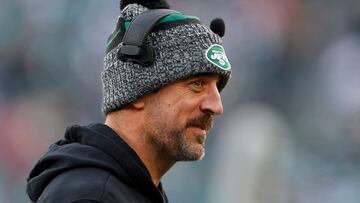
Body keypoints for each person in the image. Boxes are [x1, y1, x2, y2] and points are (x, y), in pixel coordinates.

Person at [26, 0, 231, 202]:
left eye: (217, 87)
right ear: (139, 93)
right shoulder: (91, 196)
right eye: (197, 84)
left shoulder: (126, 189)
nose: (216, 106)